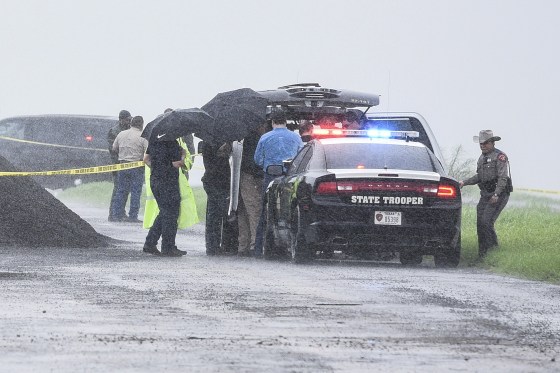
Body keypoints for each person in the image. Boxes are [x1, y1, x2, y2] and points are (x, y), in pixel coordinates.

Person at [253, 111, 304, 257]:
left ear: (272, 122)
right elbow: (301, 157)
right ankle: (289, 245)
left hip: (271, 176)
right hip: (290, 177)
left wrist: (268, 164)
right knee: (289, 211)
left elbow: (258, 160)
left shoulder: (265, 137)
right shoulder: (296, 137)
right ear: (285, 121)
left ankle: (259, 249)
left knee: (266, 212)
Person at [460, 130, 512, 258]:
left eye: (485, 143)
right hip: (485, 193)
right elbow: (479, 176)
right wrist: (464, 182)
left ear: (492, 143)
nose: (482, 145)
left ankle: (493, 250)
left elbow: (502, 178)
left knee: (486, 221)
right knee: (480, 223)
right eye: (481, 143)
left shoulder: (500, 157)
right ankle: (482, 254)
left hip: (498, 194)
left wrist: (496, 194)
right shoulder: (481, 157)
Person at [142, 138, 187, 257]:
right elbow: (178, 164)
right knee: (171, 214)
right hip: (169, 182)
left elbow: (146, 160)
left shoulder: (153, 142)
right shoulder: (172, 143)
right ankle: (168, 247)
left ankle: (150, 243)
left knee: (165, 212)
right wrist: (183, 155)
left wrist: (158, 169)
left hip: (156, 180)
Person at [111, 116, 148, 223]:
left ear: (131, 123)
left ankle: (117, 214)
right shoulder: (143, 136)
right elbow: (147, 152)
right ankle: (133, 216)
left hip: (122, 165)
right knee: (135, 192)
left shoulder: (121, 134)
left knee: (121, 190)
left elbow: (114, 148)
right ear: (141, 124)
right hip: (136, 167)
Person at [237, 124, 266, 256]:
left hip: (244, 176)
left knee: (243, 211)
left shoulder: (244, 138)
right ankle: (255, 244)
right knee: (254, 209)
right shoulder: (254, 139)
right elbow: (253, 161)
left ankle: (244, 244)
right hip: (251, 177)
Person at [200, 141, 231, 256]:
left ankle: (219, 244)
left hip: (220, 181)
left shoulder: (215, 142)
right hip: (215, 181)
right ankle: (212, 245)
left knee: (219, 213)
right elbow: (211, 166)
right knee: (215, 214)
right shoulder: (209, 144)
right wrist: (221, 154)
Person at [107, 109, 132, 221]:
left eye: (130, 119)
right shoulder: (114, 131)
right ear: (121, 120)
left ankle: (121, 212)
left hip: (127, 164)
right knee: (118, 189)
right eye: (127, 120)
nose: (129, 122)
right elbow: (113, 150)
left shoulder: (129, 130)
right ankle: (112, 213)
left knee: (125, 189)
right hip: (118, 164)